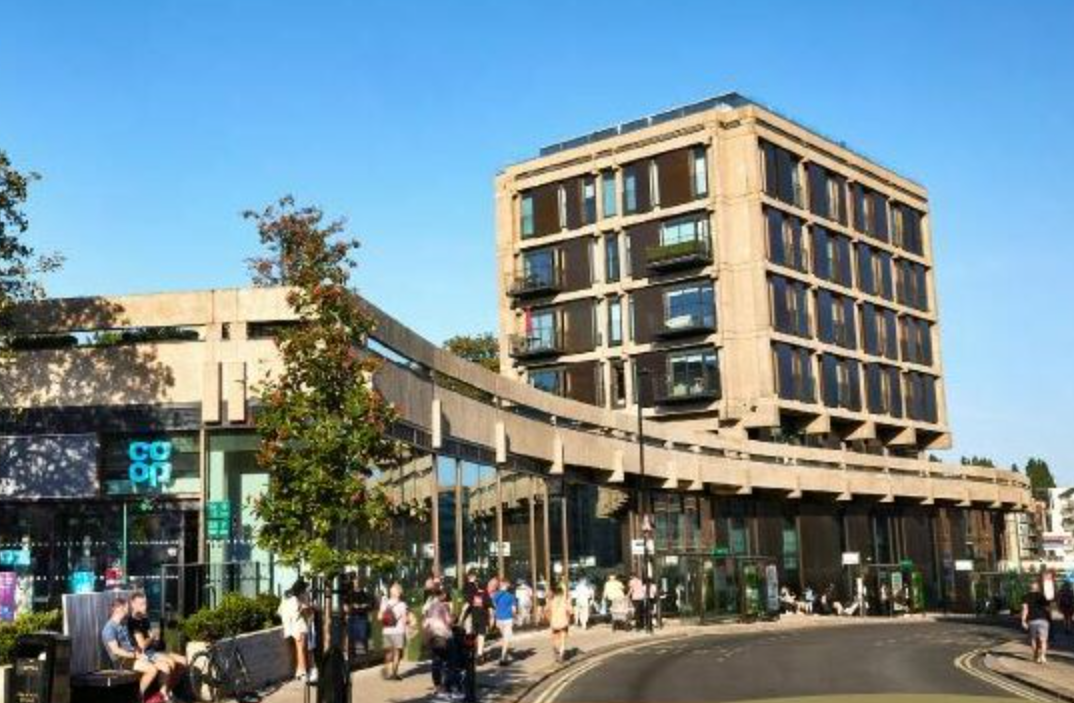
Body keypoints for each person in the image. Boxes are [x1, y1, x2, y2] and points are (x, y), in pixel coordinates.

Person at [101, 596, 162, 700]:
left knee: (161, 665)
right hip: (122, 661)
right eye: (126, 608)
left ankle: (156, 695)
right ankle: (139, 696)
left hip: (133, 655)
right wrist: (134, 655)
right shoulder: (109, 628)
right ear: (119, 609)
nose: (128, 610)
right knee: (152, 669)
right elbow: (116, 651)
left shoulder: (122, 624)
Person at [128, 591, 185, 698]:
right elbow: (142, 645)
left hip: (153, 651)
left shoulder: (144, 619)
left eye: (145, 603)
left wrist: (155, 638)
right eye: (141, 604)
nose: (145, 607)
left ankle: (166, 692)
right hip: (143, 654)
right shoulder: (133, 622)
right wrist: (153, 637)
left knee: (182, 661)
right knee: (168, 665)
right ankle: (162, 694)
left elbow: (151, 638)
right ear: (133, 604)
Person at [278, 579, 318, 683]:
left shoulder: (286, 597)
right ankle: (302, 673)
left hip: (291, 626)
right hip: (300, 626)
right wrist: (310, 608)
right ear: (301, 589)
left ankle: (300, 672)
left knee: (301, 649)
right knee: (302, 649)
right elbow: (303, 611)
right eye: (305, 589)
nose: (306, 591)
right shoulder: (296, 599)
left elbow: (279, 612)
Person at [422, 585, 456, 699]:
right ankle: (447, 687)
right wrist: (453, 618)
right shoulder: (443, 606)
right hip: (445, 636)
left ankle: (438, 688)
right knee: (449, 664)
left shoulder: (428, 606)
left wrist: (426, 638)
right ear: (443, 595)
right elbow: (449, 622)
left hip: (433, 636)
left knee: (436, 663)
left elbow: (425, 623)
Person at [380, 582, 408, 680]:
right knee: (397, 653)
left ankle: (386, 667)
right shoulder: (402, 604)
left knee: (388, 652)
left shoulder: (385, 603)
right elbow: (404, 620)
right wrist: (406, 631)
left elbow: (379, 617)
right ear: (399, 593)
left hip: (386, 631)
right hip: (398, 631)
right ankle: (394, 674)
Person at [1022, 580, 1052, 664]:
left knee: (1033, 639)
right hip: (1043, 620)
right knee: (1043, 640)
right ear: (1038, 588)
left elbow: (1025, 609)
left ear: (1030, 588)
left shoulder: (1025, 597)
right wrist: (1049, 618)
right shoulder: (1042, 596)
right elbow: (1048, 609)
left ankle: (1035, 656)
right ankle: (1043, 656)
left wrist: (1023, 620)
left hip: (1032, 620)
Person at [492, 580, 518, 665]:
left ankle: (504, 655)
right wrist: (515, 618)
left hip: (499, 619)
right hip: (508, 619)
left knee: (504, 637)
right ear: (507, 586)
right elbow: (514, 610)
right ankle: (503, 657)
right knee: (506, 638)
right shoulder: (511, 596)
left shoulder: (496, 595)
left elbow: (494, 606)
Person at [548, 583, 573, 663]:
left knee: (555, 638)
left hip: (554, 622)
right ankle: (561, 655)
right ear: (562, 593)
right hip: (563, 622)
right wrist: (569, 619)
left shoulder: (551, 601)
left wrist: (550, 620)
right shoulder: (565, 602)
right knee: (562, 639)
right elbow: (571, 611)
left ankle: (555, 649)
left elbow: (546, 610)